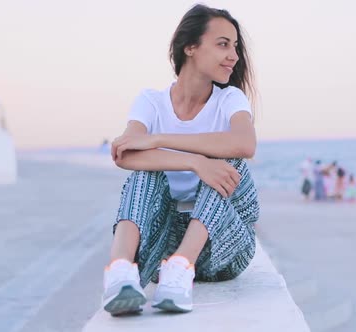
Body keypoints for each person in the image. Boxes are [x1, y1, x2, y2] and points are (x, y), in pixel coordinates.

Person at [104, 4, 259, 316]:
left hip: (224, 248)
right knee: (145, 173)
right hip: (162, 244)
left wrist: (160, 139)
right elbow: (126, 154)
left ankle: (181, 268)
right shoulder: (151, 101)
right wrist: (195, 162)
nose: (234, 56)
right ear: (190, 47)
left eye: (235, 47)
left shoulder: (230, 99)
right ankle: (120, 273)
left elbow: (245, 144)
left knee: (229, 164)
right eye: (222, 44)